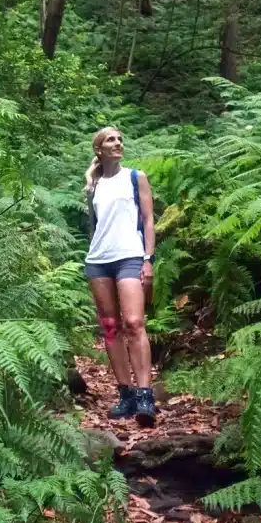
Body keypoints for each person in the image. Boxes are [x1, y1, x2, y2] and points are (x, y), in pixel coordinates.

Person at [84, 126, 157, 427]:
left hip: (130, 256)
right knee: (111, 328)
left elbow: (149, 219)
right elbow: (94, 226)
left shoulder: (135, 177)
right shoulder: (94, 185)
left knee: (134, 323)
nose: (118, 143)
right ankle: (125, 394)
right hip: (99, 261)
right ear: (99, 149)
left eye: (120, 139)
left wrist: (148, 259)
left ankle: (145, 395)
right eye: (111, 140)